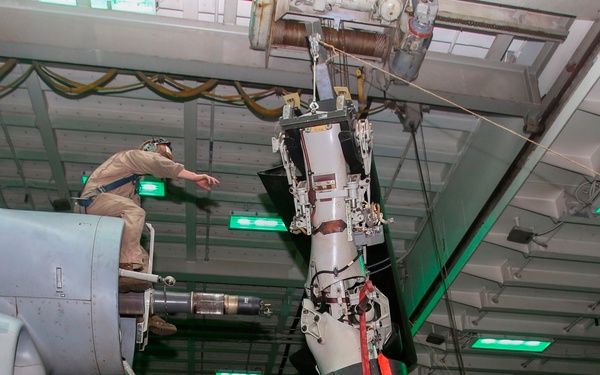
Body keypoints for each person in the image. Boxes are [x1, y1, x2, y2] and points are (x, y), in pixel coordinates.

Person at [74, 137, 219, 335]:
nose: (160, 159)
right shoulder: (129, 157)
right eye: (160, 154)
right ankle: (126, 265)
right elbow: (155, 163)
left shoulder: (131, 188)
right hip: (92, 202)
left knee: (142, 261)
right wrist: (193, 176)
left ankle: (145, 313)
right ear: (150, 149)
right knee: (135, 213)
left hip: (104, 212)